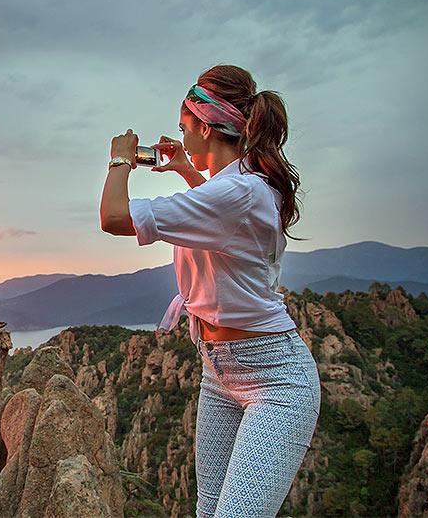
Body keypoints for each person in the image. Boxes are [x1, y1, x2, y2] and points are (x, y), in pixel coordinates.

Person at [100, 64, 320, 517]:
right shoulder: (241, 187)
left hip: (274, 380)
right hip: (218, 372)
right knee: (207, 510)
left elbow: (114, 217)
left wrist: (120, 158)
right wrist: (185, 169)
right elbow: (223, 219)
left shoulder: (237, 193)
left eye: (184, 129)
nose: (180, 140)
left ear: (205, 125)